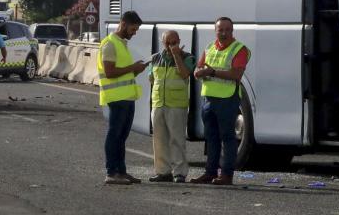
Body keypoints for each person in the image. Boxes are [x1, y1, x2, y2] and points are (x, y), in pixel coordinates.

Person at [191, 17, 250, 185]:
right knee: (211, 138)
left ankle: (226, 175)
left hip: (227, 99)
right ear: (215, 31)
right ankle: (210, 173)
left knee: (227, 138)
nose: (224, 33)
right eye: (220, 30)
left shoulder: (239, 49)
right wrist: (198, 72)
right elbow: (198, 68)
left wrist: (211, 72)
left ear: (232, 31)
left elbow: (236, 74)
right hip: (208, 98)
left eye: (227, 30)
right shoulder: (210, 47)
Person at [97, 11, 149, 185]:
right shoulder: (110, 44)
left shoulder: (121, 43)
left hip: (126, 97)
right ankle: (112, 172)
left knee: (121, 137)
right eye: (133, 29)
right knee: (115, 135)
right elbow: (110, 72)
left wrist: (136, 69)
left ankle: (121, 171)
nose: (134, 33)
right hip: (117, 98)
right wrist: (132, 67)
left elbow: (122, 71)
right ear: (124, 24)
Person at [148, 30, 196, 183]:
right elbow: (151, 78)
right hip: (158, 103)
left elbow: (184, 74)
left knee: (177, 139)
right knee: (159, 139)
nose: (171, 46)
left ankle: (180, 173)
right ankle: (163, 172)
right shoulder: (155, 58)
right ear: (163, 43)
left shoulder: (188, 57)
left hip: (176, 105)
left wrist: (176, 56)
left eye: (174, 42)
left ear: (179, 41)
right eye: (168, 43)